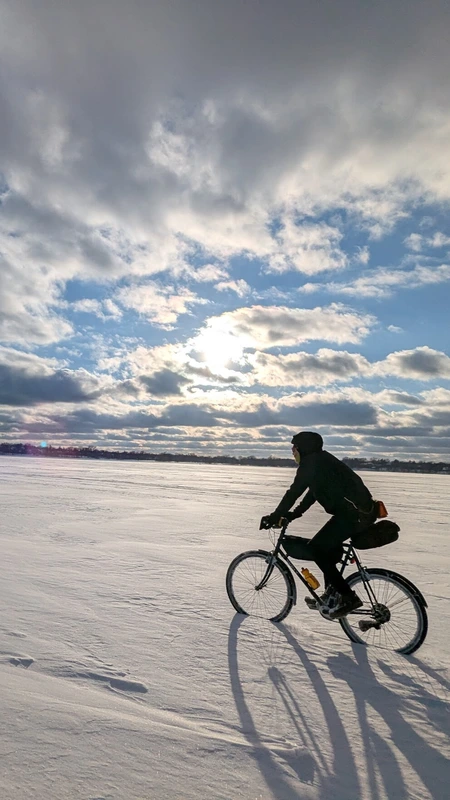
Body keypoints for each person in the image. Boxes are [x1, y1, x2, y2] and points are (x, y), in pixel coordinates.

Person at [260, 431, 377, 619]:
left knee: (317, 548)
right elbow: (313, 492)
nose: (292, 451)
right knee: (327, 547)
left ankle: (348, 597)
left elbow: (294, 492)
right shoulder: (320, 461)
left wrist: (275, 516)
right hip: (357, 513)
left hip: (354, 515)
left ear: (303, 448)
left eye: (294, 447)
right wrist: (294, 514)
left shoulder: (311, 463)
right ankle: (332, 595)